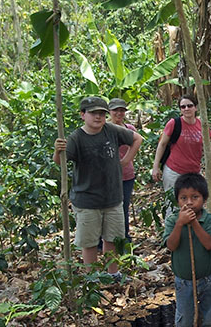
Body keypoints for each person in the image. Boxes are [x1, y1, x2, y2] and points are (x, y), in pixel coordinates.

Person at [53, 97, 143, 275]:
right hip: (86, 200)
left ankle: (113, 274)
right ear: (83, 115)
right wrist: (57, 150)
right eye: (93, 113)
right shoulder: (76, 138)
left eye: (102, 113)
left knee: (112, 239)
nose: (98, 117)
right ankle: (92, 278)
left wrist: (125, 161)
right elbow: (60, 162)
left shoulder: (111, 130)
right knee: (90, 243)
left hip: (113, 197)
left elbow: (137, 139)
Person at [163, 173, 211, 327]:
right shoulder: (173, 221)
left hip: (209, 279)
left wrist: (194, 223)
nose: (189, 202)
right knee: (184, 318)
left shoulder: (210, 220)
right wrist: (181, 223)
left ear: (204, 199)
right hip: (184, 280)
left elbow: (209, 244)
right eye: (183, 198)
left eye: (194, 197)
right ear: (177, 200)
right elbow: (171, 246)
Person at [152, 93, 205, 193]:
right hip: (173, 171)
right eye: (183, 107)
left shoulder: (202, 125)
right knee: (173, 205)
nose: (186, 109)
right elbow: (162, 144)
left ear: (196, 108)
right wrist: (155, 167)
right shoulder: (173, 123)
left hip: (194, 172)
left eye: (189, 106)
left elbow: (206, 148)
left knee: (193, 204)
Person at [108, 98, 139, 241]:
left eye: (122, 110)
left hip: (127, 175)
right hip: (107, 177)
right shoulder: (103, 128)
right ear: (110, 112)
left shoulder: (130, 129)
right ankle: (106, 239)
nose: (119, 113)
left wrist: (124, 161)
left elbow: (136, 145)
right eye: (116, 110)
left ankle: (124, 236)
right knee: (108, 207)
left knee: (123, 206)